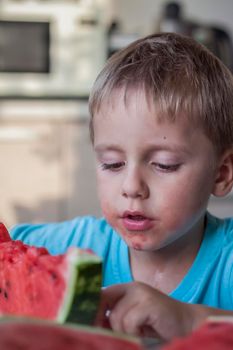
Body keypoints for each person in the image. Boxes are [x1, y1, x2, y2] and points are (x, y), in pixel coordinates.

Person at [10, 33, 233, 341]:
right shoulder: (76, 243)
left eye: (164, 164)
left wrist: (191, 319)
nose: (131, 187)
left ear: (221, 174)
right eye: (113, 164)